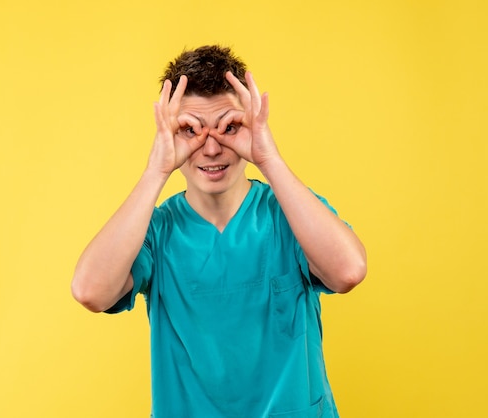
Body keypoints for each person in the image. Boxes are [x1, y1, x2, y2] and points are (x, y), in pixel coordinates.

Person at [71, 45, 367, 418]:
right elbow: (90, 291)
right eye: (190, 130)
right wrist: (155, 171)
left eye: (229, 127)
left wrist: (269, 158)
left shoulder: (288, 213)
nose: (211, 148)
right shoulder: (157, 232)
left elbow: (348, 271)